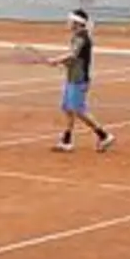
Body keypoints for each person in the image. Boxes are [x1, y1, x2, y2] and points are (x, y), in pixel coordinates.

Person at [44, 9, 115, 153]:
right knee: (67, 108)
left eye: (70, 21)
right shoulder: (77, 36)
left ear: (77, 23)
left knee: (79, 110)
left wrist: (56, 60)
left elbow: (73, 55)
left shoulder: (82, 38)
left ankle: (104, 135)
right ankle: (67, 141)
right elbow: (76, 59)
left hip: (79, 79)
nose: (68, 23)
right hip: (71, 77)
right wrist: (63, 64)